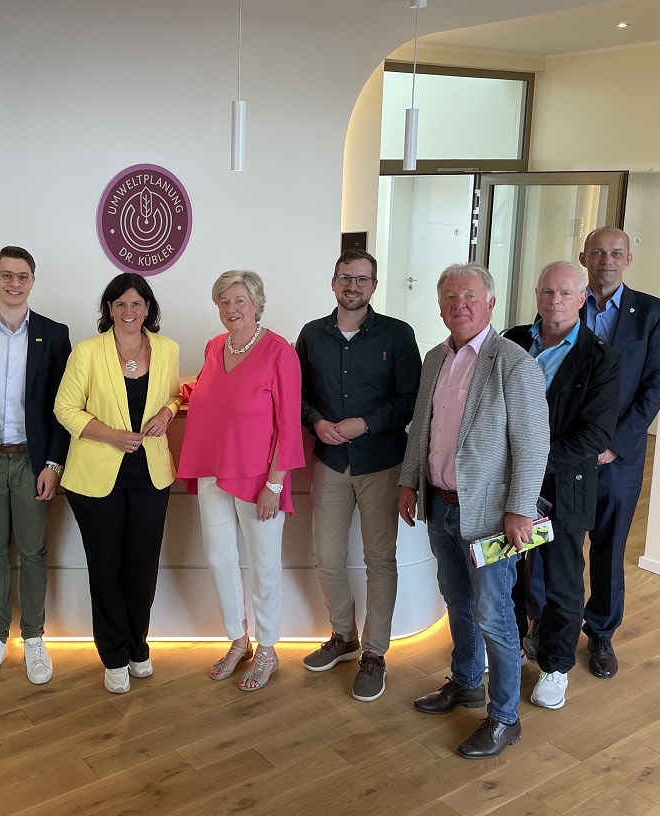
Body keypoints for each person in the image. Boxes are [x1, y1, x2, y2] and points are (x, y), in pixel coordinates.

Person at [397, 263, 549, 760]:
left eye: (468, 295)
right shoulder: (434, 359)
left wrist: (520, 509)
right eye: (448, 297)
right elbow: (422, 426)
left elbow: (532, 444)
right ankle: (466, 683)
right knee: (456, 602)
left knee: (494, 613)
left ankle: (505, 717)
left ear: (490, 303)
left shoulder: (513, 362)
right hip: (441, 507)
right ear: (439, 306)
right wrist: (407, 483)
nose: (457, 304)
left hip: (489, 517)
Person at [295, 249, 421, 702]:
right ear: (333, 283)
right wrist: (316, 422)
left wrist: (365, 423)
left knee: (379, 560)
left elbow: (411, 400)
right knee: (326, 558)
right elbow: (298, 395)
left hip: (381, 463)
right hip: (330, 464)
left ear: (373, 285)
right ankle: (343, 637)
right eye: (346, 278)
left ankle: (374, 653)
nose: (354, 286)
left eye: (363, 279)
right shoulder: (311, 335)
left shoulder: (398, 335)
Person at [176, 270, 304, 692]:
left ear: (257, 304)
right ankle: (238, 639)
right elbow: (207, 392)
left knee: (263, 566)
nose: (231, 310)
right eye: (224, 302)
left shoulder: (279, 351)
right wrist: (176, 396)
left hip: (258, 480)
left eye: (239, 301)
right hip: (213, 470)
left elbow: (288, 425)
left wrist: (274, 485)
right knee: (219, 560)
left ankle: (268, 648)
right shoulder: (215, 346)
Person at [54, 273, 181, 695]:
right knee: (106, 569)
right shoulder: (88, 352)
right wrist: (110, 435)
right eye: (121, 304)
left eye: (137, 304)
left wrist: (168, 410)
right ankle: (113, 656)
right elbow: (65, 408)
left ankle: (137, 647)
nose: (130, 312)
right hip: (95, 479)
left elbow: (175, 395)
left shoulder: (166, 348)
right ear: (109, 308)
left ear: (149, 309)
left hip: (151, 475)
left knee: (142, 568)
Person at [504, 261, 620, 709]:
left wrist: (534, 460)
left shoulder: (600, 358)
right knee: (505, 571)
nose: (555, 301)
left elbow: (595, 435)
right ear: (536, 294)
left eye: (566, 294)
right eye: (548, 292)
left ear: (581, 299)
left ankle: (555, 666)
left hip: (563, 486)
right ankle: (511, 644)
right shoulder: (512, 341)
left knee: (562, 580)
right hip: (505, 483)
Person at [0, 246, 71, 687]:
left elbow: (65, 406)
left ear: (32, 282)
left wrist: (55, 463)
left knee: (33, 550)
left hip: (34, 462)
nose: (15, 283)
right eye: (7, 275)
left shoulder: (55, 334)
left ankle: (34, 637)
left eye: (23, 276)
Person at [572, 227, 660, 679]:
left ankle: (601, 633)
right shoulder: (564, 304)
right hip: (566, 455)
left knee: (609, 548)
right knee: (555, 543)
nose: (607, 259)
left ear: (628, 259)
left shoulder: (654, 313)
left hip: (620, 457)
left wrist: (615, 445)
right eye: (598, 252)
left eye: (616, 252)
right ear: (584, 257)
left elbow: (654, 389)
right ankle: (549, 623)